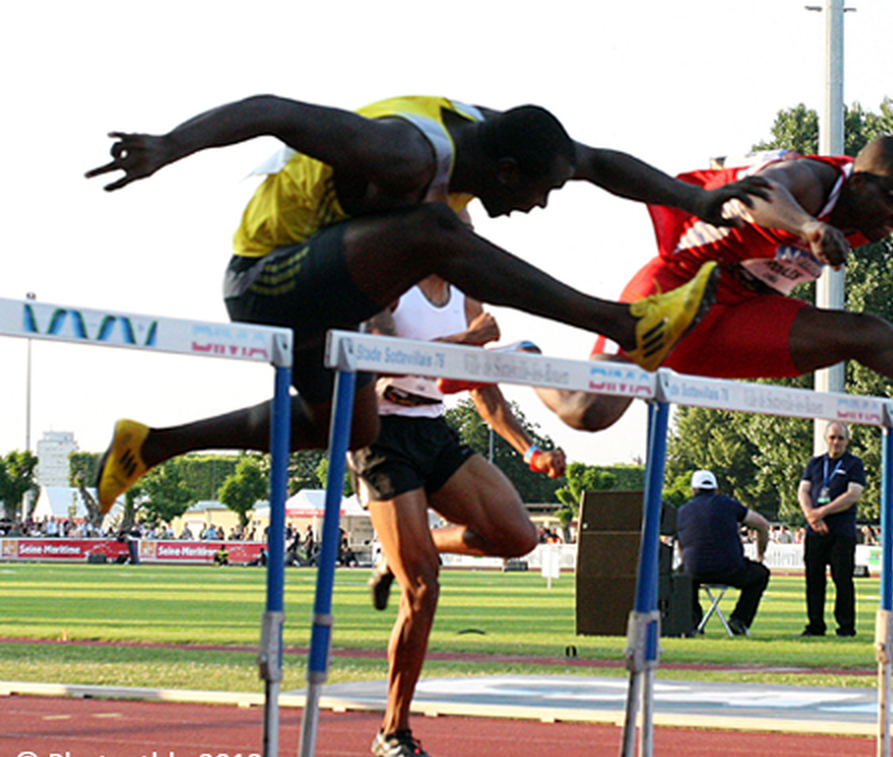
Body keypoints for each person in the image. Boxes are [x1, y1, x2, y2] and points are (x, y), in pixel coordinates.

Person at [85, 94, 769, 514]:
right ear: (505, 173)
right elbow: (276, 110)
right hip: (267, 277)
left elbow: (595, 162)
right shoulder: (408, 152)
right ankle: (621, 323)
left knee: (352, 429)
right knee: (437, 232)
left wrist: (697, 201)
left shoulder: (499, 134)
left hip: (333, 292)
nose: (539, 205)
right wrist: (170, 146)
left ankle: (152, 444)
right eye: (541, 193)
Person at [536, 140, 893, 433]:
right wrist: (808, 224)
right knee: (589, 414)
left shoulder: (870, 215)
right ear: (860, 181)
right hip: (677, 290)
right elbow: (758, 195)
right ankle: (524, 360)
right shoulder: (815, 180)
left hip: (742, 311)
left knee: (865, 334)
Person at [352, 274, 567, 757]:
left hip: (432, 428)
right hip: (380, 434)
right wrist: (471, 340)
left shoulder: (468, 294)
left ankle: (407, 547)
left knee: (519, 536)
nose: (465, 236)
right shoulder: (387, 280)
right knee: (423, 585)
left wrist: (529, 450)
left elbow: (481, 384)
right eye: (458, 223)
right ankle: (393, 728)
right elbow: (390, 355)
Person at [674, 469, 771, 636]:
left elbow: (681, 544)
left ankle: (691, 622)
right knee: (760, 574)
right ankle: (740, 620)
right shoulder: (728, 504)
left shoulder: (683, 511)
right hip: (730, 569)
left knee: (681, 579)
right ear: (716, 489)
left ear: (693, 490)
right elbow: (762, 524)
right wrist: (760, 555)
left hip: (695, 571)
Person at [797, 421, 865, 637]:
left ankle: (846, 627)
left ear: (847, 441)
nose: (836, 442)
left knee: (842, 579)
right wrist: (811, 516)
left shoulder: (854, 464)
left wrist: (821, 512)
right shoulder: (815, 463)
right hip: (815, 531)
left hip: (841, 531)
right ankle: (815, 625)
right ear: (826, 439)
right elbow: (803, 491)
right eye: (832, 437)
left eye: (840, 438)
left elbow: (853, 494)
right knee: (813, 579)